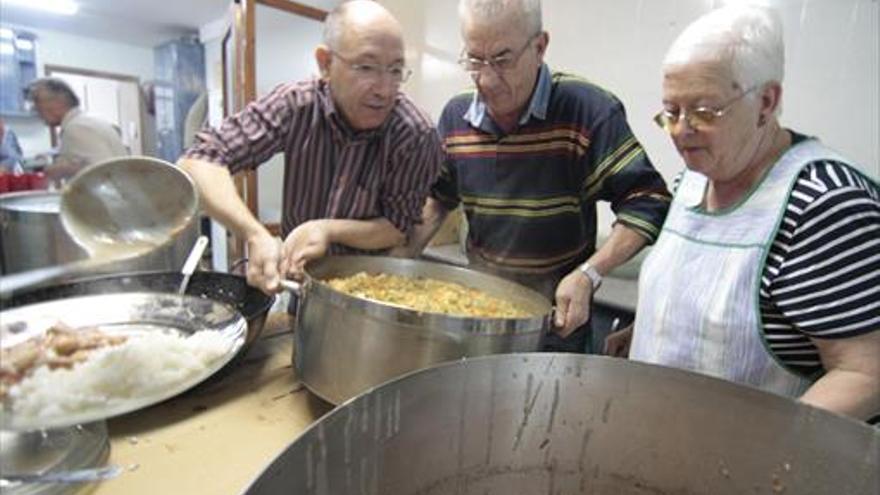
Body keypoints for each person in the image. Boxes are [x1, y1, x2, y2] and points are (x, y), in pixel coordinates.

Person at [616, 5, 879, 420]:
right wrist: (647, 334)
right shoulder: (695, 180)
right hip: (665, 435)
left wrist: (760, 454)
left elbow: (865, 373)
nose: (682, 131)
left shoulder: (823, 203)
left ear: (766, 102)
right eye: (671, 112)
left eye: (704, 112)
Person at [399, 0, 671, 352]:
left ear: (540, 46)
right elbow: (438, 198)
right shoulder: (456, 117)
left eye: (502, 60)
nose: (487, 79)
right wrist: (400, 258)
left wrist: (589, 274)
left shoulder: (587, 110)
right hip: (479, 313)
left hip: (557, 323)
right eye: (475, 60)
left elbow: (647, 200)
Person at [179, 0, 443, 295]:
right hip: (302, 290)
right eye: (367, 67)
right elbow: (200, 159)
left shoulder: (416, 133)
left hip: (370, 294)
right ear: (325, 64)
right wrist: (255, 234)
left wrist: (327, 230)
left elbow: (397, 226)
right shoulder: (296, 105)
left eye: (395, 70)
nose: (384, 89)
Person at [26, 78, 129, 181]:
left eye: (38, 107)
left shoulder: (77, 128)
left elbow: (104, 173)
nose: (38, 114)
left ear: (56, 104)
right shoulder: (89, 121)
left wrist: (64, 169)